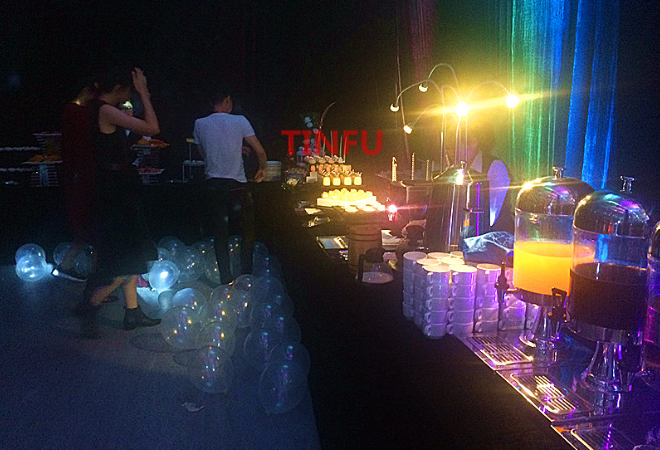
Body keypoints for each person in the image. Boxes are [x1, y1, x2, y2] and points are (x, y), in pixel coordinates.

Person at [76, 66, 161, 336]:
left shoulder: (96, 109)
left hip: (113, 189)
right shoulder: (105, 110)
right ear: (119, 89)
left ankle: (132, 312)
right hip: (116, 194)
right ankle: (89, 306)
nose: (129, 97)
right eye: (129, 91)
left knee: (128, 254)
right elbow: (153, 128)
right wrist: (144, 93)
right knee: (125, 259)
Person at [193, 85, 267, 284]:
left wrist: (231, 150)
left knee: (220, 235)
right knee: (247, 233)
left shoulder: (200, 123)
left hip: (213, 185)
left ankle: (225, 280)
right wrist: (263, 168)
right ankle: (246, 276)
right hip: (237, 185)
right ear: (227, 100)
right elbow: (260, 151)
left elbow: (204, 153)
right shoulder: (240, 120)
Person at [55, 75, 99, 282]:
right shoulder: (79, 112)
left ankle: (71, 268)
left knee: (85, 230)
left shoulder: (73, 111)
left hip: (78, 173)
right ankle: (96, 277)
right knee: (91, 228)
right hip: (84, 174)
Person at [446, 115, 514, 232]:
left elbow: (490, 216)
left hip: (494, 237)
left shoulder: (495, 167)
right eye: (448, 148)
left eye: (454, 146)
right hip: (466, 233)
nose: (450, 152)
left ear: (473, 142)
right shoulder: (455, 170)